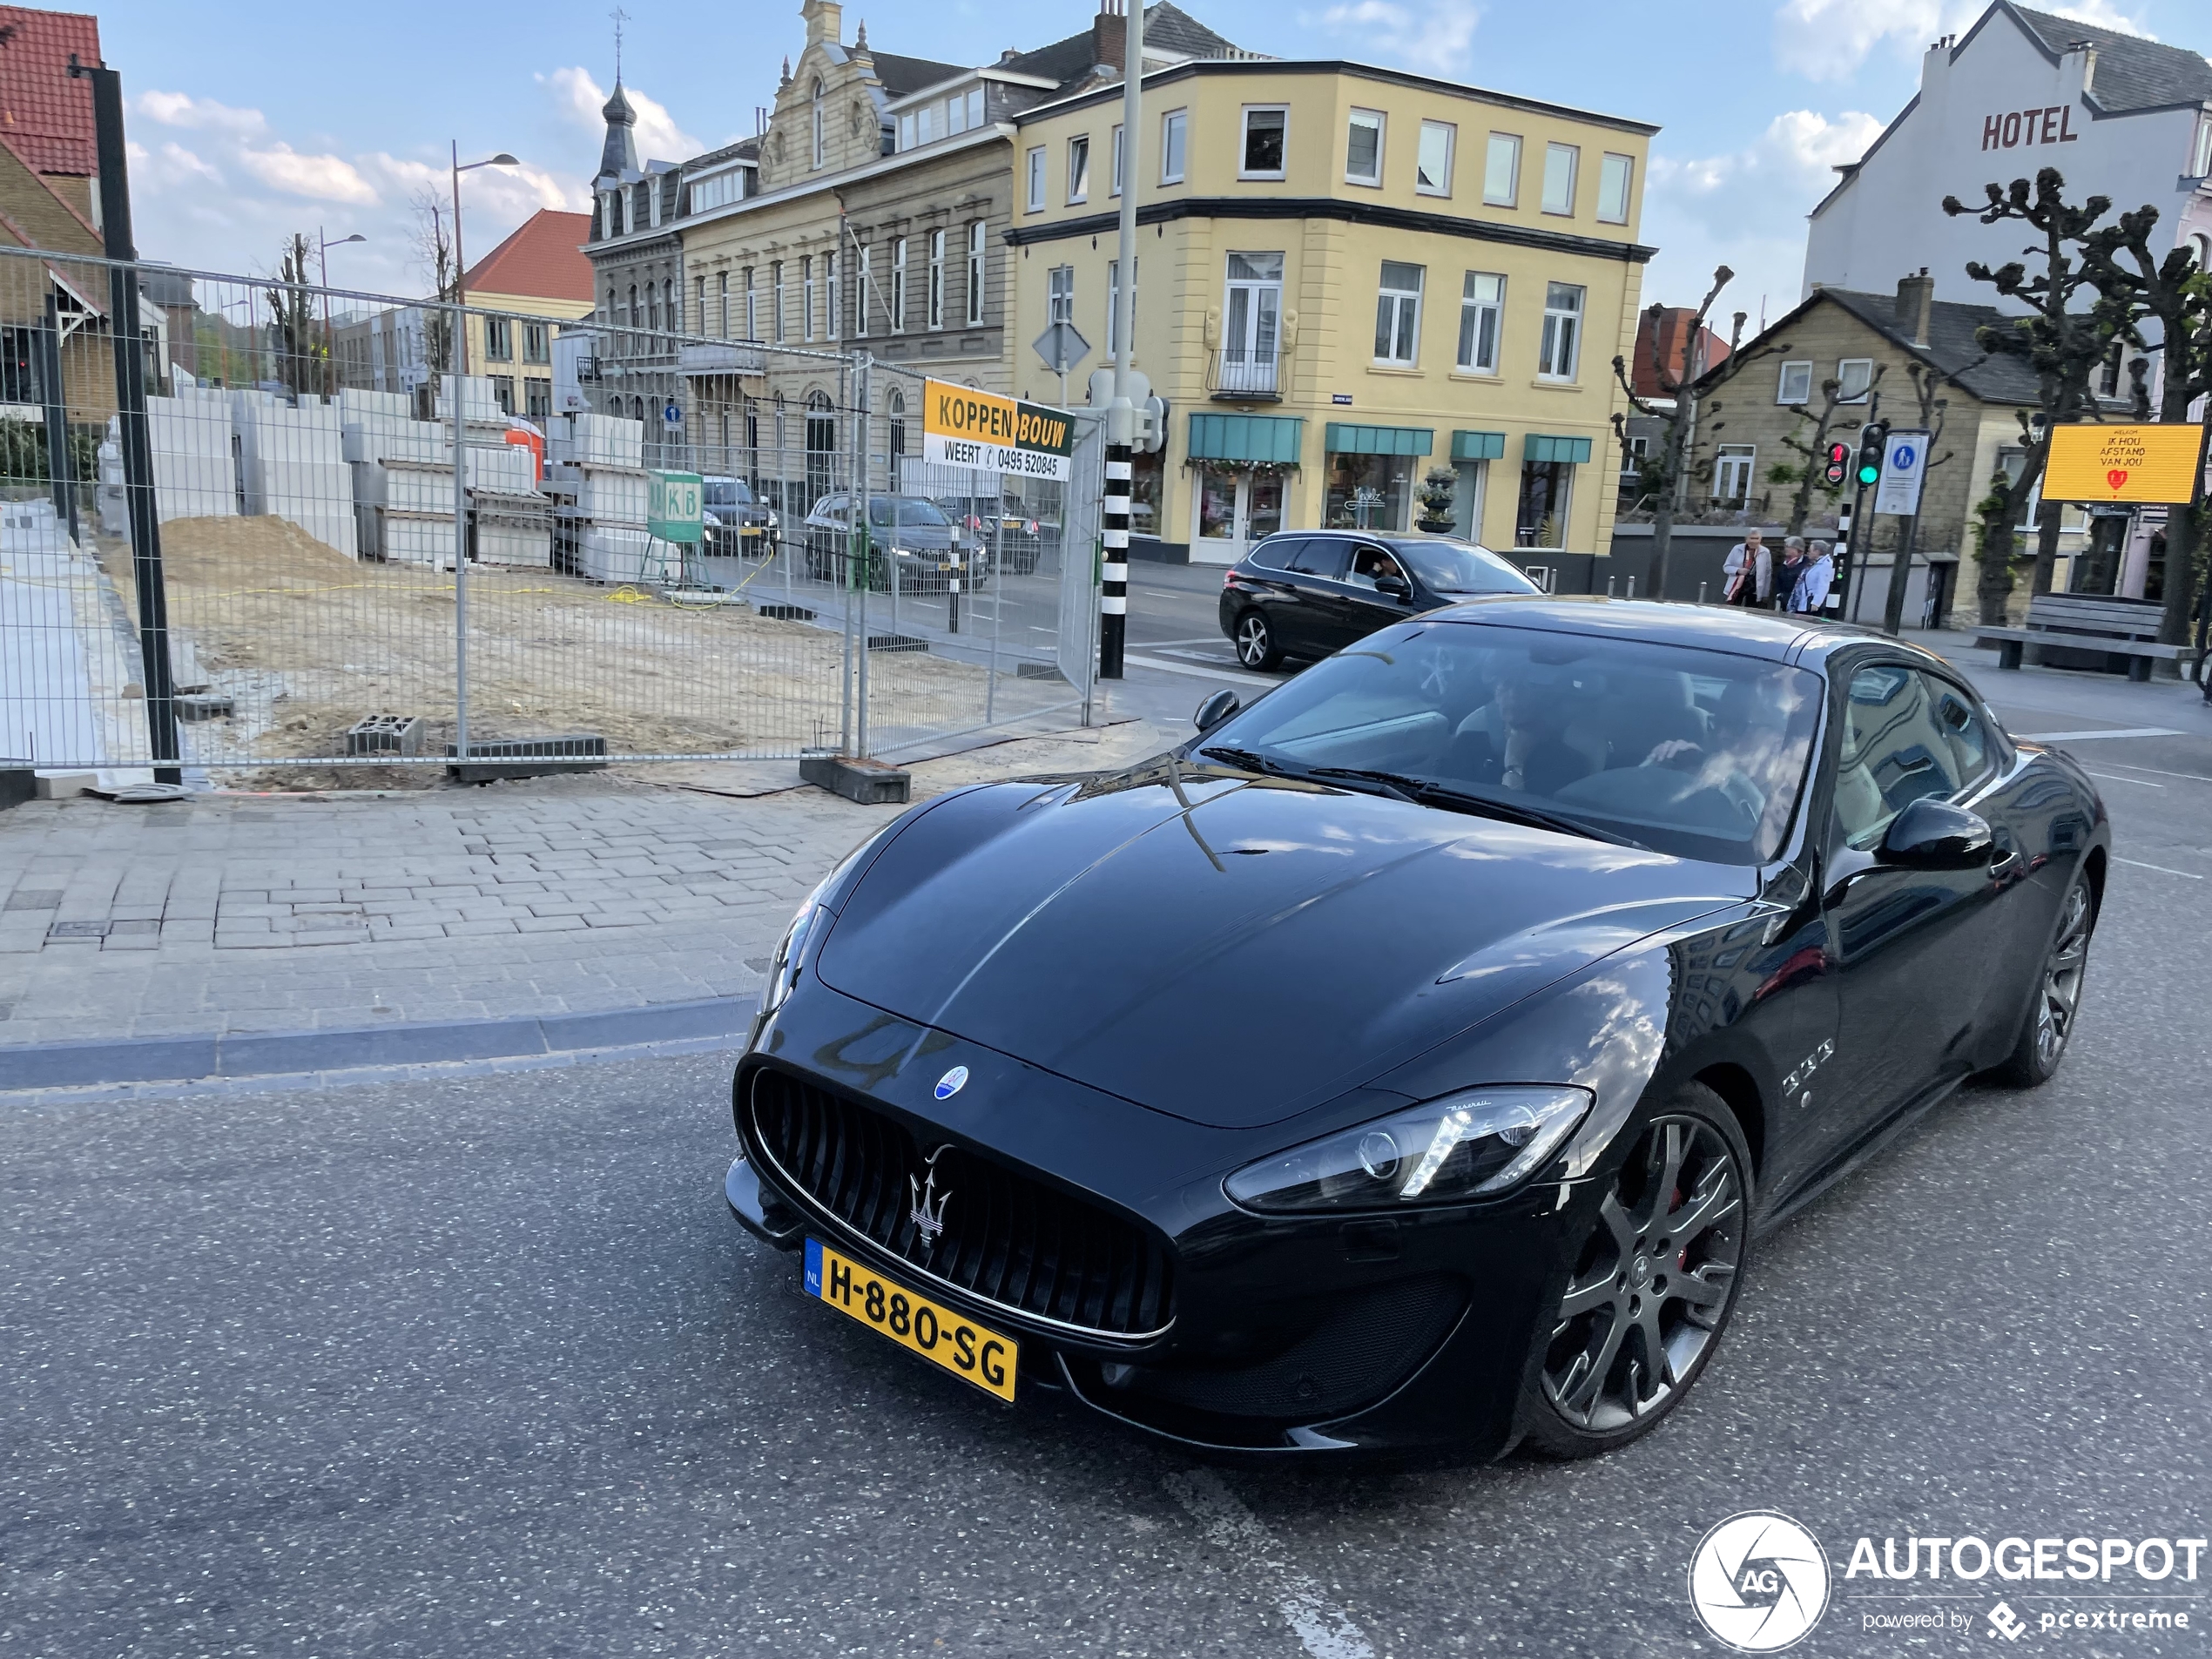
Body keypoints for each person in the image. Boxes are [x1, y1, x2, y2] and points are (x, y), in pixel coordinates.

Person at [1722, 529, 1770, 607]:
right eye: (1751, 538)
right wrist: (1738, 570)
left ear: (1760, 539)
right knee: (1733, 611)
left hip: (1754, 588)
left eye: (1756, 538)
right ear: (1746, 539)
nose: (1754, 541)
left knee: (1751, 612)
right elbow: (1726, 567)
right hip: (1737, 587)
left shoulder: (1765, 552)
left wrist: (1765, 593)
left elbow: (1767, 574)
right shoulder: (1737, 549)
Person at [1792, 540, 1836, 614]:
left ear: (1817, 551)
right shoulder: (1816, 563)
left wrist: (1816, 603)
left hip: (1812, 604)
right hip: (1805, 602)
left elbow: (1823, 585)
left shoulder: (1826, 565)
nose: (1808, 553)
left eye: (1810, 550)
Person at [1771, 536, 1808, 612]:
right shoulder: (1785, 562)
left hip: (1799, 602)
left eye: (1788, 547)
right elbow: (1779, 580)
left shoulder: (1807, 563)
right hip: (1784, 600)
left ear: (1797, 549)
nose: (1785, 549)